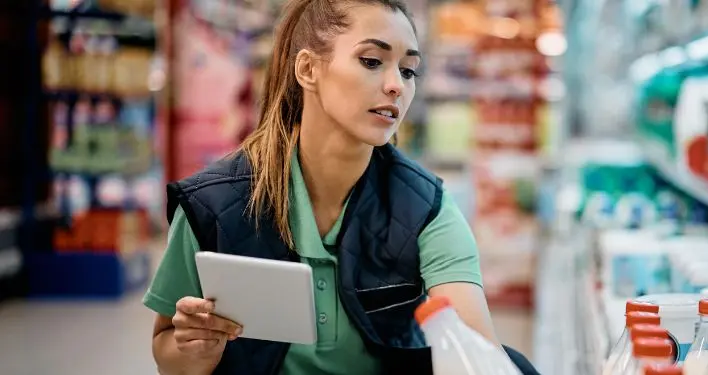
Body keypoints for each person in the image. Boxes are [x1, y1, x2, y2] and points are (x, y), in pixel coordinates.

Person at [143, 0, 539, 374]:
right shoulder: (213, 204)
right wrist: (196, 347)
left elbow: (474, 346)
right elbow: (169, 355)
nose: (396, 86)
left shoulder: (425, 208)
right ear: (308, 69)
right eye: (371, 61)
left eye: (408, 70)